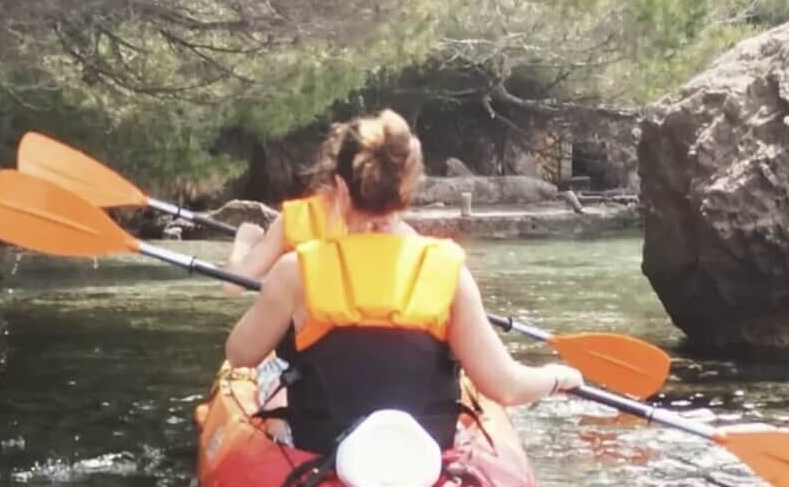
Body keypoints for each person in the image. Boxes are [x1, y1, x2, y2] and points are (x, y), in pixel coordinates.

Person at [223, 111, 582, 459]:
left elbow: (240, 355)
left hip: (323, 449)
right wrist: (557, 376)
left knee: (273, 374)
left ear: (342, 190)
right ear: (408, 192)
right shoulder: (449, 269)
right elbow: (506, 387)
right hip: (423, 453)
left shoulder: (295, 270)